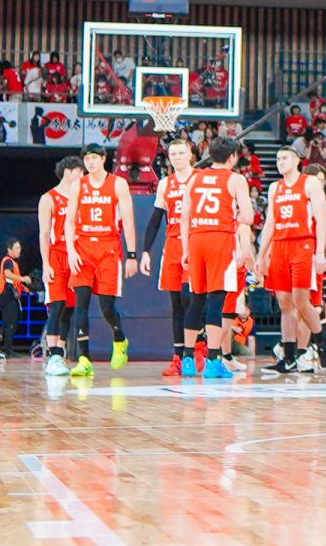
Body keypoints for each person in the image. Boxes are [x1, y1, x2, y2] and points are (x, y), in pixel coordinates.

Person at [179, 137, 256, 379]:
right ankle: (213, 361)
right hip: (220, 239)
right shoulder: (235, 179)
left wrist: (185, 249)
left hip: (195, 239)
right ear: (232, 157)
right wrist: (231, 217)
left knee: (196, 300)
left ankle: (188, 360)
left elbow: (184, 217)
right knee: (216, 300)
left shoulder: (194, 177)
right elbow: (249, 216)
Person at [258, 147, 326, 375]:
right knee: (284, 304)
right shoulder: (274, 188)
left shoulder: (310, 183)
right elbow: (270, 223)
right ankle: (289, 358)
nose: (280, 162)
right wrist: (262, 255)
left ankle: (321, 340)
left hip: (303, 244)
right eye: (278, 158)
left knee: (301, 299)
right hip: (280, 246)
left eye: (284, 158)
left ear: (296, 160)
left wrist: (320, 253)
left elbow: (321, 221)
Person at [64, 145, 138, 377]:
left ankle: (119, 338)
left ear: (104, 159)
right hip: (83, 248)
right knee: (81, 304)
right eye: (87, 158)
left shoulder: (118, 183)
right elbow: (69, 222)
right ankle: (84, 359)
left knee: (106, 307)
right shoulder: (78, 185)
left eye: (95, 158)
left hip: (108, 248)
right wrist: (71, 251)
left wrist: (132, 255)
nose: (90, 162)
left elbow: (128, 220)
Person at [140, 134, 198, 377]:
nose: (177, 158)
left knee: (190, 298)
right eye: (173, 154)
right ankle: (178, 357)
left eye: (181, 153)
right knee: (176, 304)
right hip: (173, 244)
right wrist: (145, 251)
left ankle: (195, 351)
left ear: (190, 155)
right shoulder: (166, 183)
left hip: (196, 243)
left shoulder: (200, 179)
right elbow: (154, 220)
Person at [38, 156, 82, 375]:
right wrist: (46, 264)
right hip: (56, 256)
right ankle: (53, 355)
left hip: (75, 257)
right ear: (68, 172)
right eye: (80, 172)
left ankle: (60, 354)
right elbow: (44, 234)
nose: (82, 177)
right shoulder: (49, 198)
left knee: (69, 310)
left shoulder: (80, 198)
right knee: (56, 307)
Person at [0, 238, 27, 353]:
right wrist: (22, 278)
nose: (19, 250)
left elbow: (14, 282)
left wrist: (25, 289)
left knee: (8, 322)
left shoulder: (13, 263)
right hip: (7, 295)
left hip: (10, 295)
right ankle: (6, 349)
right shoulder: (8, 261)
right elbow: (7, 274)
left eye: (20, 248)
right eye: (17, 248)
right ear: (10, 250)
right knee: (10, 323)